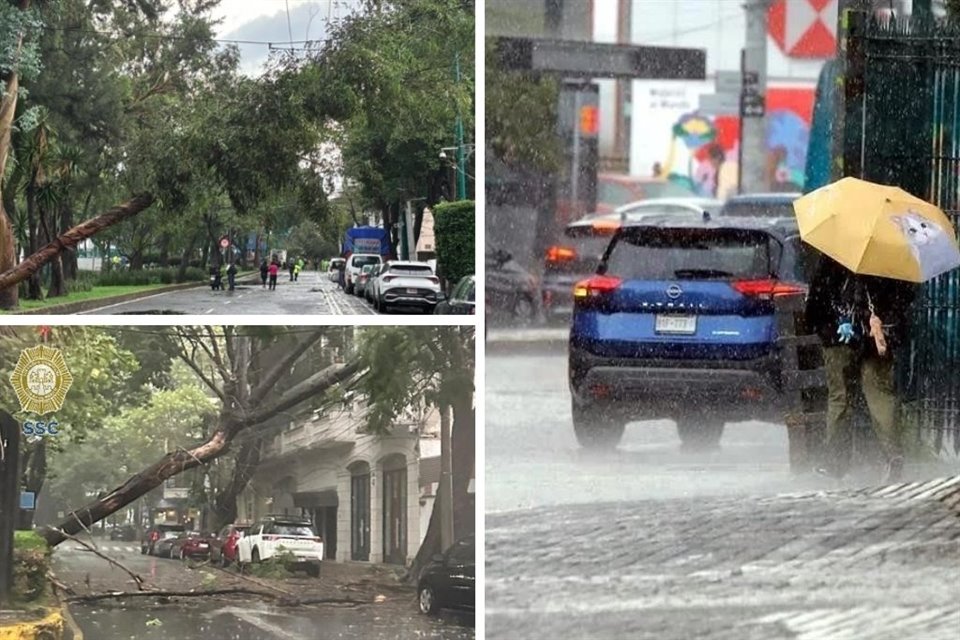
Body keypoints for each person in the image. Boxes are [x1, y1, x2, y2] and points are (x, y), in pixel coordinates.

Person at [804, 255, 918, 482]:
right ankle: (893, 455)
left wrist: (827, 326)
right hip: (879, 334)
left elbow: (817, 298)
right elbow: (906, 295)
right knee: (880, 395)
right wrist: (883, 319)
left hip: (839, 335)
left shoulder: (837, 250)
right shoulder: (889, 254)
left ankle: (835, 464)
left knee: (840, 397)